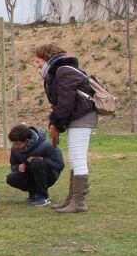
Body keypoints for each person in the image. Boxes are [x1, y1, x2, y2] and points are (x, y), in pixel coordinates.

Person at [35, 44, 96, 214]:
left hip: (82, 116)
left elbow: (65, 102)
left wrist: (56, 124)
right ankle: (72, 199)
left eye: (38, 61)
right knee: (75, 158)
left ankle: (79, 201)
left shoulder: (63, 71)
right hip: (78, 116)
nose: (37, 65)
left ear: (46, 57)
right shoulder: (62, 71)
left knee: (78, 158)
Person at [5, 124, 64, 206]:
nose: (15, 146)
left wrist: (43, 160)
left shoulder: (47, 145)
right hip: (29, 174)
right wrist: (18, 167)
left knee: (36, 162)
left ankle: (43, 197)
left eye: (17, 144)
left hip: (49, 176)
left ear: (27, 140)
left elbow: (60, 165)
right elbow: (13, 165)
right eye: (14, 144)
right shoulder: (15, 149)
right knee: (11, 178)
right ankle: (34, 193)